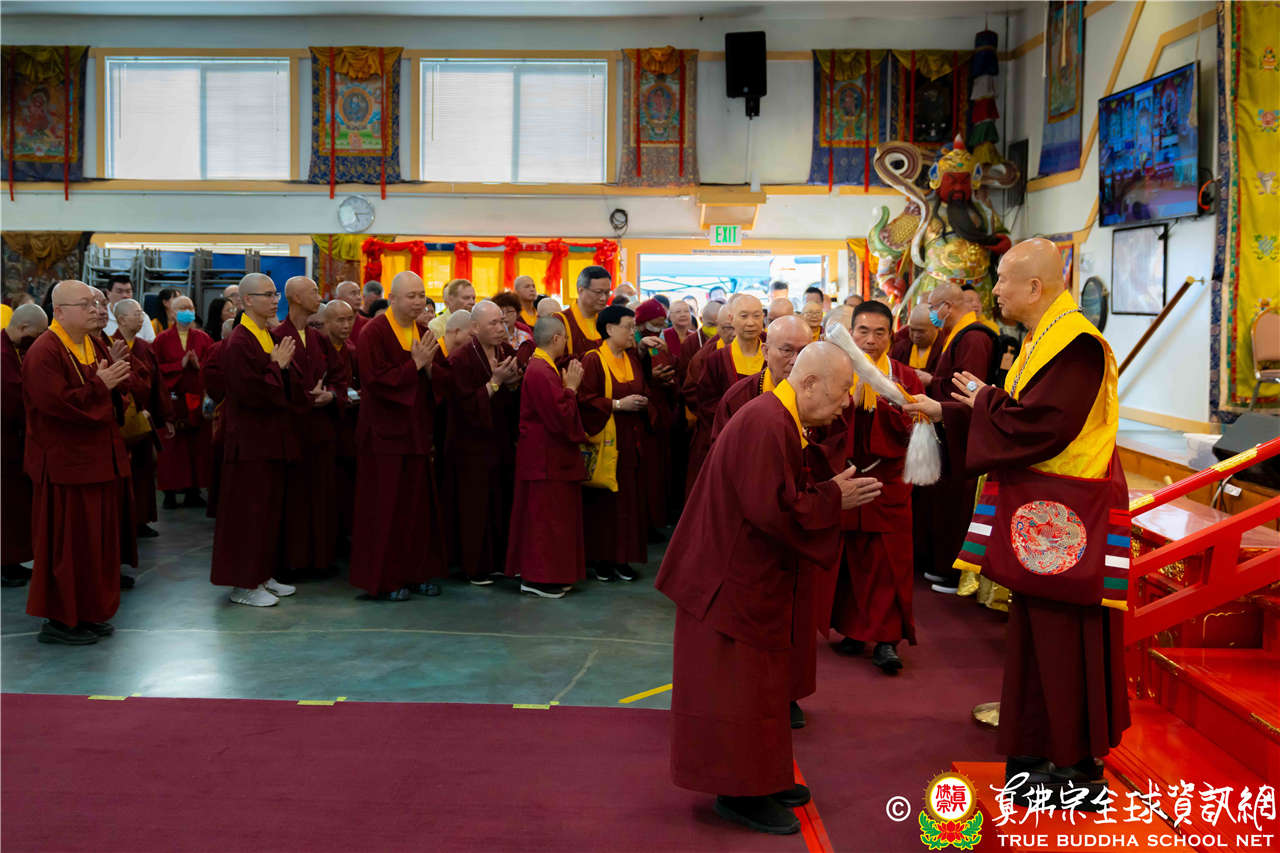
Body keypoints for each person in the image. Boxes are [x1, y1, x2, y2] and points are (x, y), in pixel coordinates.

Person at [905, 238, 1129, 809]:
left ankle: (1074, 767)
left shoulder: (1076, 344)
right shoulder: (1041, 337)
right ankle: (1035, 750)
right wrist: (951, 410)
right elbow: (1016, 415)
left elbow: (1042, 426)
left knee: (1064, 638)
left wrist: (981, 402)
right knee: (1035, 636)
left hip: (1071, 515)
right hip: (1049, 510)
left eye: (1003, 279)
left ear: (1035, 286)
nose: (994, 290)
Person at [655, 343, 882, 835]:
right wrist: (833, 498)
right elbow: (770, 510)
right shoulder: (766, 422)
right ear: (809, 383)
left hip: (747, 574)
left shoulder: (781, 417)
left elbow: (780, 495)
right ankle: (739, 793)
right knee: (738, 692)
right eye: (842, 391)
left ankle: (765, 777)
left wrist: (828, 492)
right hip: (726, 582)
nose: (846, 404)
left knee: (763, 688)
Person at [708, 313, 816, 726]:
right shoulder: (741, 397)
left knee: (796, 614)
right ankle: (750, 692)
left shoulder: (821, 393)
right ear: (766, 351)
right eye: (786, 350)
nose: (795, 360)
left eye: (804, 351)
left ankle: (788, 694)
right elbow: (722, 459)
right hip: (752, 526)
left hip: (799, 520)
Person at [23, 281, 136, 644]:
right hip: (66, 465)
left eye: (96, 303)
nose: (95, 310)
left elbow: (111, 392)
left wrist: (112, 383)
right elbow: (56, 406)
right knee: (67, 547)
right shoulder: (44, 351)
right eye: (85, 304)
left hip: (97, 460)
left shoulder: (93, 342)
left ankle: (87, 611)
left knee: (94, 546)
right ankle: (61, 621)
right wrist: (101, 385)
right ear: (59, 311)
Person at [816, 301, 924, 675]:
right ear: (851, 332)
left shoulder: (904, 377)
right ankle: (854, 630)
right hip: (844, 477)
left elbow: (918, 426)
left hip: (887, 483)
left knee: (888, 562)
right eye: (863, 331)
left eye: (880, 333)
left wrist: (885, 398)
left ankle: (886, 640)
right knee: (847, 560)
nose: (870, 340)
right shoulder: (835, 371)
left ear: (891, 336)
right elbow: (821, 423)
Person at [350, 271, 447, 601]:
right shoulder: (373, 332)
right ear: (392, 299)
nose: (419, 302)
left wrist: (430, 368)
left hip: (416, 433)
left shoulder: (423, 330)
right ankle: (385, 580)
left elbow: (438, 375)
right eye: (411, 296)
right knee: (384, 508)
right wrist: (414, 365)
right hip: (384, 435)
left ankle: (416, 574)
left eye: (421, 295)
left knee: (416, 508)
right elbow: (374, 381)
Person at [209, 273, 300, 607]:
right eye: (267, 295)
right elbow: (251, 393)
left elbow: (281, 382)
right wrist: (277, 367)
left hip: (269, 439)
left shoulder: (265, 334)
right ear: (247, 300)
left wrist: (282, 368)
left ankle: (262, 574)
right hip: (248, 441)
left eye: (276, 294)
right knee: (248, 513)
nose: (275, 300)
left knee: (267, 512)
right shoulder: (239, 341)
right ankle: (243, 585)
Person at [915, 281, 996, 594]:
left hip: (962, 431)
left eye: (933, 307)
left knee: (957, 504)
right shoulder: (956, 334)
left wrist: (932, 383)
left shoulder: (974, 337)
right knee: (945, 502)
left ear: (946, 307)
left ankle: (956, 574)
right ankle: (943, 566)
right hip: (949, 427)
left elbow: (966, 390)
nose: (932, 314)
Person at [506, 316, 588, 598]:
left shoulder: (545, 366)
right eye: (565, 338)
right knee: (544, 522)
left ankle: (552, 574)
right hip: (545, 460)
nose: (566, 342)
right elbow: (559, 417)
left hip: (550, 458)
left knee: (554, 520)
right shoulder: (540, 370)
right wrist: (571, 389)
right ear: (556, 339)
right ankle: (537, 579)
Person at [445, 300, 521, 585]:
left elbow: (515, 396)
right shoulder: (460, 359)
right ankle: (474, 566)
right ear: (475, 328)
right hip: (470, 446)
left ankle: (500, 561)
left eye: (502, 321)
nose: (502, 328)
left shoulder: (506, 352)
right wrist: (495, 382)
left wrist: (513, 384)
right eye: (494, 323)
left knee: (501, 501)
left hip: (501, 440)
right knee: (474, 506)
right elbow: (461, 405)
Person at [273, 277, 344, 580]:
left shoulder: (319, 339)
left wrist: (331, 395)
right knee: (295, 499)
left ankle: (321, 558)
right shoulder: (277, 336)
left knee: (323, 495)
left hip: (321, 430)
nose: (319, 296)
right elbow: (271, 382)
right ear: (296, 298)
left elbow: (339, 376)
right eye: (313, 292)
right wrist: (304, 398)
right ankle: (293, 561)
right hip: (292, 430)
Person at [577, 304, 652, 582]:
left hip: (631, 441)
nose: (633, 333)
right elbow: (584, 400)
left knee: (628, 503)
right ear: (609, 329)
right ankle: (602, 559)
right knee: (605, 504)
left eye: (634, 327)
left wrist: (642, 401)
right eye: (628, 327)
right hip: (607, 441)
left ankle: (623, 558)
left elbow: (642, 387)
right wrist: (618, 404)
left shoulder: (631, 358)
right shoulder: (594, 359)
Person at [111, 298, 175, 540]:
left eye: (141, 313)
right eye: (136, 314)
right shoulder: (112, 345)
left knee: (144, 471)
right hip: (124, 418)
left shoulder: (145, 347)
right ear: (121, 319)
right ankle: (124, 520)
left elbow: (157, 384)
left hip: (145, 417)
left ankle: (141, 519)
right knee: (125, 474)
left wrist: (166, 415)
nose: (141, 318)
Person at [152, 295, 214, 510]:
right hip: (172, 399)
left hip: (196, 397)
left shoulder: (203, 338)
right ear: (172, 313)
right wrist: (179, 364)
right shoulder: (161, 339)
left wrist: (198, 365)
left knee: (196, 447)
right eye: (182, 308)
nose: (187, 311)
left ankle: (193, 491)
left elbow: (211, 365)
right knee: (171, 449)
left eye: (190, 307)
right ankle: (169, 493)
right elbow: (155, 369)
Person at [1, 303, 47, 587]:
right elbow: (12, 400)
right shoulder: (3, 354)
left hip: (15, 441)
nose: (38, 340)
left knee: (14, 505)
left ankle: (11, 561)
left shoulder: (15, 349)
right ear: (22, 327)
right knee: (7, 505)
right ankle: (5, 564)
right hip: (5, 442)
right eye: (37, 334)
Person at [431, 308, 473, 569]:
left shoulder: (461, 355)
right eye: (471, 335)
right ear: (456, 332)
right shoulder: (436, 353)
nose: (473, 341)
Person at [321, 299, 359, 548]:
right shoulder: (319, 348)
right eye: (340, 320)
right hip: (324, 424)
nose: (346, 325)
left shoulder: (352, 351)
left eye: (350, 319)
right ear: (326, 322)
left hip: (348, 425)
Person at [556, 266, 612, 362]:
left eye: (607, 292)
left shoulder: (609, 319)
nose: (603, 298)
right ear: (580, 290)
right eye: (598, 292)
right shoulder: (561, 321)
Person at [102, 274, 156, 342]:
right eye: (119, 292)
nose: (125, 295)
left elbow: (151, 342)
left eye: (128, 291)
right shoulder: (101, 316)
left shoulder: (141, 316)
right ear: (108, 293)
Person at [890, 303, 941, 373]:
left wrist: (932, 378)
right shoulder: (899, 348)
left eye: (921, 331)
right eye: (912, 330)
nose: (916, 335)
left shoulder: (946, 349)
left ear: (936, 327)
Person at [491, 290, 534, 359]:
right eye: (500, 311)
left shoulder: (525, 337)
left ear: (517, 314)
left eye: (509, 311)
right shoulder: (490, 336)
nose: (504, 316)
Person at [334, 281, 368, 345]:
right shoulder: (330, 324)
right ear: (339, 299)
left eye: (359, 293)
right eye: (353, 294)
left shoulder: (367, 324)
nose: (359, 297)